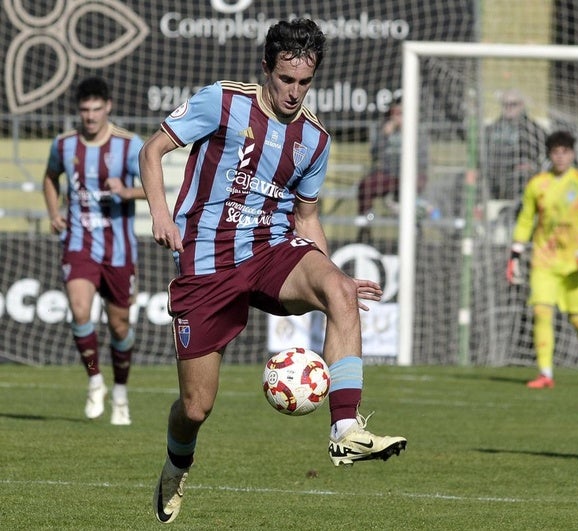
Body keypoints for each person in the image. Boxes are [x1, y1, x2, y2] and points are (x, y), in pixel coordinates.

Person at [139, 19, 407, 524]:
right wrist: (160, 213)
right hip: (206, 263)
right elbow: (151, 150)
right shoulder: (221, 101)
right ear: (266, 69)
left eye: (305, 83)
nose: (294, 92)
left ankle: (345, 431)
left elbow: (307, 218)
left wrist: (338, 284)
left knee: (341, 290)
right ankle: (177, 465)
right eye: (286, 80)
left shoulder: (314, 138)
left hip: (270, 252)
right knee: (196, 408)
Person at [42, 76, 145, 426]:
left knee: (119, 327)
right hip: (78, 245)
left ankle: (119, 393)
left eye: (96, 109)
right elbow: (49, 177)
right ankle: (94, 380)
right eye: (84, 110)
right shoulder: (64, 145)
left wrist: (127, 192)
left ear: (108, 107)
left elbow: (154, 186)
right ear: (78, 111)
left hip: (119, 251)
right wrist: (54, 212)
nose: (89, 116)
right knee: (80, 310)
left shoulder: (129, 146)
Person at [506, 131, 578, 389]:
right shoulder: (537, 184)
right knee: (541, 312)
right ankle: (546, 373)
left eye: (565, 152)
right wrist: (515, 253)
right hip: (544, 260)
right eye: (556, 152)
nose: (560, 157)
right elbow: (526, 219)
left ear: (572, 154)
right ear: (549, 155)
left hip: (574, 263)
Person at [356, 98, 429, 241]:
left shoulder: (418, 130)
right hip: (388, 174)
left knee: (416, 186)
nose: (397, 116)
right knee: (366, 185)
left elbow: (423, 158)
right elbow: (375, 154)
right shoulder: (383, 128)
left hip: (412, 174)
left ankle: (416, 227)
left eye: (401, 113)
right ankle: (366, 225)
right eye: (394, 113)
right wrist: (384, 136)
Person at [481, 88, 546, 202]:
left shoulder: (533, 130)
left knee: (522, 178)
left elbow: (549, 154)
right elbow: (480, 153)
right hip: (493, 176)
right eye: (505, 104)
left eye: (513, 104)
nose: (509, 107)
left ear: (521, 105)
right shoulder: (491, 129)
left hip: (519, 179)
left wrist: (533, 167)